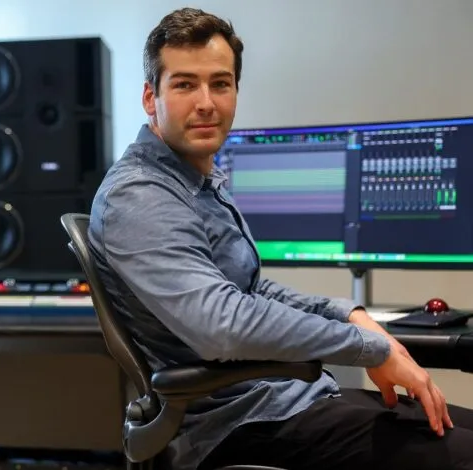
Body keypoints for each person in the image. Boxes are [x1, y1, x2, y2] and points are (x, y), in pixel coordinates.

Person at [87, 7, 473, 470]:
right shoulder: (140, 196)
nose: (206, 102)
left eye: (221, 84)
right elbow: (222, 325)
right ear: (151, 98)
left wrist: (347, 314)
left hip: (283, 400)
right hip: (236, 425)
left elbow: (249, 289)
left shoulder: (193, 180)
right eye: (185, 84)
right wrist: (367, 346)